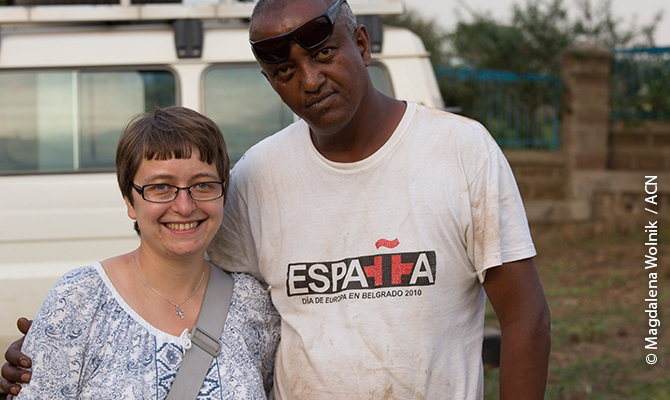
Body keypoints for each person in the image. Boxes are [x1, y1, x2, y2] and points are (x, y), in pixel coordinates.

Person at [4, 0, 550, 399]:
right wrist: (64, 340)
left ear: (360, 45)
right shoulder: (260, 173)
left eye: (324, 53)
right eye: (284, 72)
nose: (310, 81)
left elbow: (525, 317)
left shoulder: (459, 150)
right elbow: (193, 292)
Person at [1, 107, 280, 399]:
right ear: (129, 200)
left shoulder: (253, 305)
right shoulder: (79, 301)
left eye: (203, 185)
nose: (184, 206)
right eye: (161, 186)